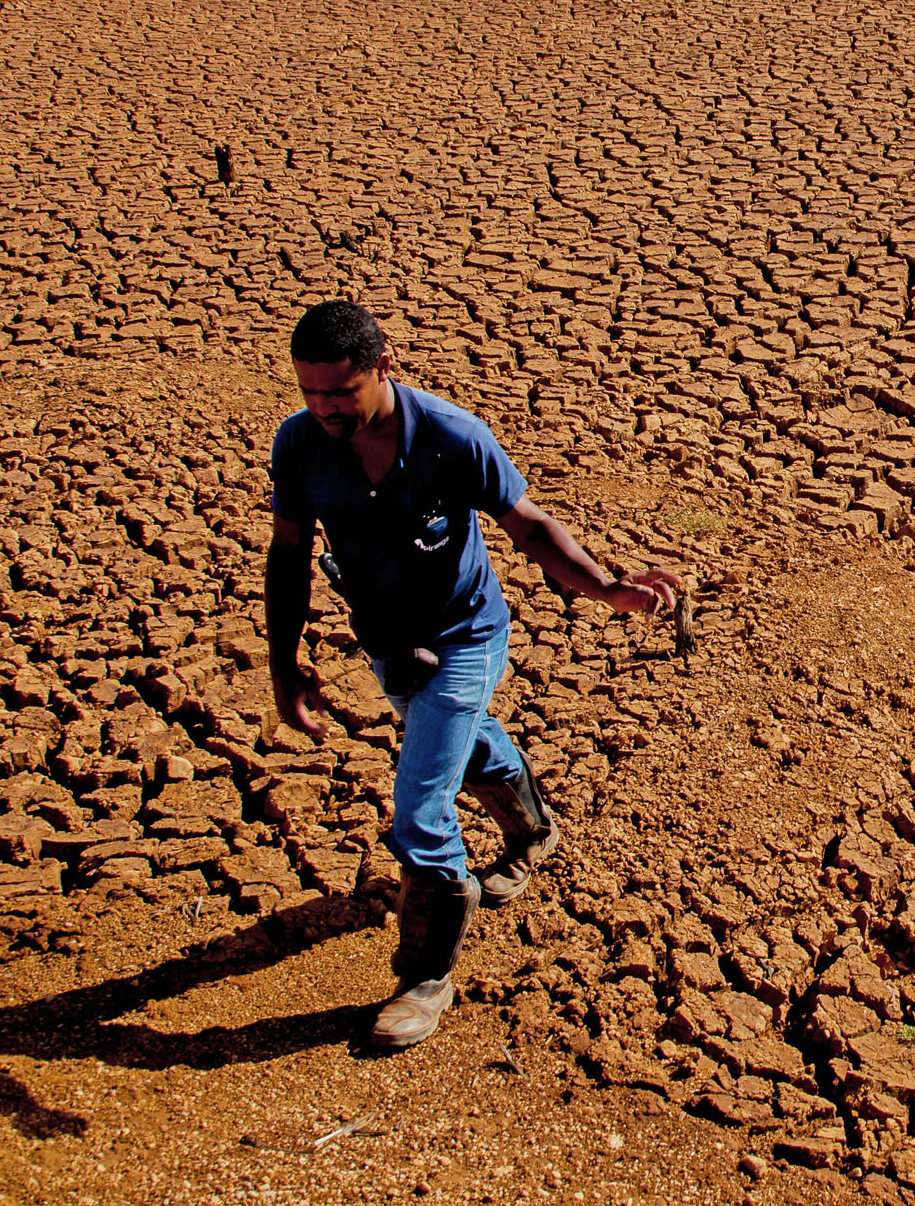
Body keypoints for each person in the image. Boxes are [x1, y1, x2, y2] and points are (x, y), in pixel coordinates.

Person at [265, 299, 681, 1049]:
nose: (324, 408)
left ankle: (426, 977)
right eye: (310, 392)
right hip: (390, 643)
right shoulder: (299, 444)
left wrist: (608, 587)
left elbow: (527, 524)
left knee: (420, 805)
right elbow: (289, 552)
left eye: (340, 392)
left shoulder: (452, 437)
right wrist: (283, 661)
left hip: (465, 638)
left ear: (382, 368)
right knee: (467, 746)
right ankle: (534, 832)